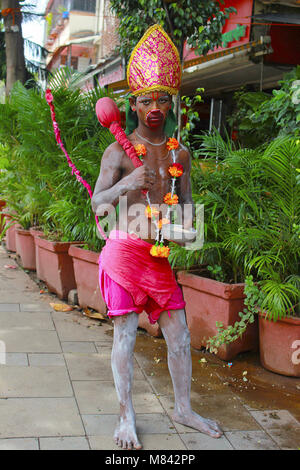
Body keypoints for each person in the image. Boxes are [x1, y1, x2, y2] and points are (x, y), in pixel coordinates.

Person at [91, 24, 222, 450]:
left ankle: (183, 409)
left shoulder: (180, 153)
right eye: (145, 99)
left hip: (158, 254)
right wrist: (128, 183)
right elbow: (97, 204)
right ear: (132, 103)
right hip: (125, 254)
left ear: (172, 101)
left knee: (180, 336)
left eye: (162, 98)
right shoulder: (117, 151)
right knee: (125, 337)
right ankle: (126, 418)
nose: (153, 106)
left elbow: (184, 207)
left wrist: (185, 230)